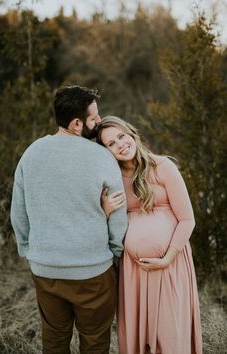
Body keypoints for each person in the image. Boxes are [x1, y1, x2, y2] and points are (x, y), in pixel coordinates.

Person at [10, 86, 128, 354]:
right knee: (95, 341)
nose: (99, 122)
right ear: (76, 123)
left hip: (45, 269)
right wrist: (114, 252)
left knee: (53, 338)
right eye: (93, 118)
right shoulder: (101, 157)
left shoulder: (31, 153)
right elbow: (118, 212)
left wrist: (29, 250)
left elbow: (18, 211)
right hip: (93, 271)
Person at [97, 116, 202, 354]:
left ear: (132, 133)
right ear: (105, 152)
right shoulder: (111, 180)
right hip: (134, 271)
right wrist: (103, 210)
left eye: (121, 136)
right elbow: (102, 227)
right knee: (138, 334)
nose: (120, 144)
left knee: (170, 330)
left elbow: (187, 220)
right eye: (111, 143)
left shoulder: (163, 167)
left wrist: (167, 258)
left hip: (170, 264)